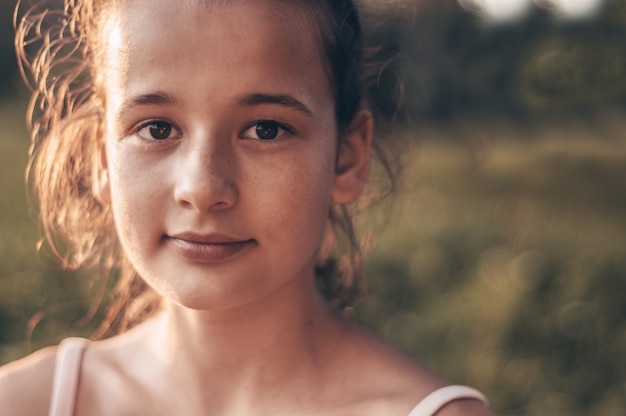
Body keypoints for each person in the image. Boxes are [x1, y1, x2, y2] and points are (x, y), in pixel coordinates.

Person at [1, 0, 496, 415]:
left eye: (266, 129)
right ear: (100, 158)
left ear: (347, 158)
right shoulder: (28, 402)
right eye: (156, 128)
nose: (202, 186)